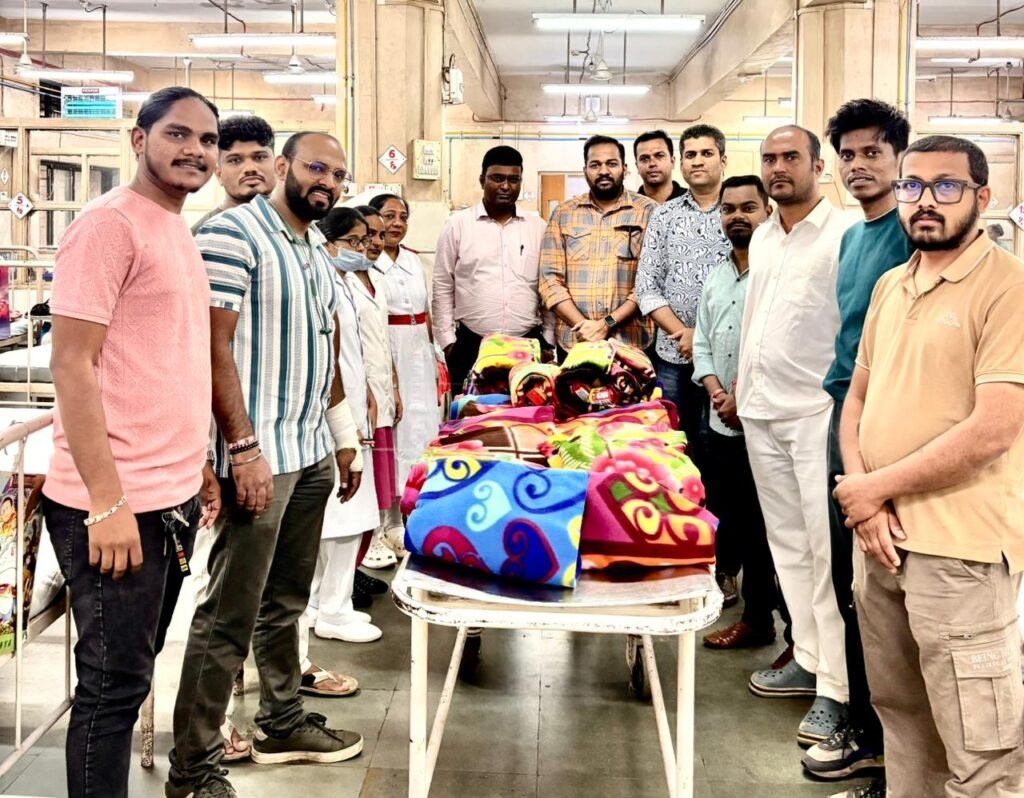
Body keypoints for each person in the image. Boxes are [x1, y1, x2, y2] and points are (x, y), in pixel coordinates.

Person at [167, 131, 364, 798]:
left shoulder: (313, 247)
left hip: (308, 451)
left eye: (337, 175)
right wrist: (240, 448)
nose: (327, 182)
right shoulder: (233, 235)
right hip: (259, 457)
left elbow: (323, 349)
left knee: (285, 602)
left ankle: (282, 722)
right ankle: (193, 769)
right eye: (316, 168)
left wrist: (343, 436)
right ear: (283, 167)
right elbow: (210, 347)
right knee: (228, 615)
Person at [43, 86, 221, 798]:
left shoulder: (173, 226)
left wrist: (197, 462)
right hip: (117, 504)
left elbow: (166, 360)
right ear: (139, 139)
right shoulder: (108, 226)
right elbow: (72, 365)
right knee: (111, 691)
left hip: (167, 495)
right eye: (178, 134)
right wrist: (106, 502)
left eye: (206, 140)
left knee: (133, 675)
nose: (195, 151)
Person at [836, 135, 1024, 798]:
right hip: (882, 544)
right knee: (904, 718)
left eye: (946, 187)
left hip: (959, 550)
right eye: (912, 186)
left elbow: (993, 430)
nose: (924, 202)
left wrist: (871, 491)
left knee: (980, 749)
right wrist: (866, 501)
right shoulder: (892, 284)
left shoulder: (1008, 287)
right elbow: (856, 399)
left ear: (982, 196)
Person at [802, 99, 913, 793]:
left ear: (900, 158)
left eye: (873, 152)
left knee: (890, 588)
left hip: (892, 430)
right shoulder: (853, 238)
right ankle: (870, 735)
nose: (858, 165)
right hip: (845, 417)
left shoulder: (911, 234)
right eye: (848, 154)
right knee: (857, 591)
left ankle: (894, 751)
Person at [738, 125, 856, 747]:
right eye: (769, 158)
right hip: (761, 411)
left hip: (815, 413)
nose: (778, 168)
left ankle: (838, 688)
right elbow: (757, 319)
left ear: (819, 166)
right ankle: (807, 657)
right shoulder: (763, 235)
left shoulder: (844, 235)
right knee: (788, 546)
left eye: (791, 157)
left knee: (825, 554)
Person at [634, 124, 734, 600]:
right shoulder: (665, 216)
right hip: (674, 358)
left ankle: (724, 561)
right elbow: (647, 286)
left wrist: (707, 340)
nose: (697, 161)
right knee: (676, 453)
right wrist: (684, 334)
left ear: (723, 160)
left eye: (706, 153)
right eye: (689, 153)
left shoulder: (741, 209)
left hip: (729, 363)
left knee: (723, 461)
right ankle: (677, 552)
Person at [694, 175, 781, 651]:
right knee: (737, 521)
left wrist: (742, 401)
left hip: (765, 424)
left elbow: (778, 347)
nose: (737, 217)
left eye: (749, 208)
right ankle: (756, 616)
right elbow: (702, 344)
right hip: (721, 421)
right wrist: (715, 392)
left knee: (769, 529)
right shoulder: (717, 275)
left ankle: (765, 620)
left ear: (767, 211)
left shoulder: (777, 273)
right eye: (728, 210)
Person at [302, 207, 384, 645]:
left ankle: (322, 602)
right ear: (328, 242)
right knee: (345, 514)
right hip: (336, 417)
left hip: (351, 406)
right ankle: (333, 608)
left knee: (344, 515)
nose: (362, 248)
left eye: (364, 240)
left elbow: (353, 351)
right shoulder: (323, 282)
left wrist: (366, 390)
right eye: (353, 241)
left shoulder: (346, 282)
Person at [432, 145, 552, 392]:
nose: (505, 186)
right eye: (497, 178)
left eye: (513, 180)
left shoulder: (538, 227)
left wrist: (548, 338)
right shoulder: (458, 226)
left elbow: (549, 283)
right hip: (471, 345)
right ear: (482, 180)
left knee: (528, 411)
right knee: (471, 413)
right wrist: (447, 342)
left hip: (528, 342)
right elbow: (443, 284)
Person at [539, 134, 656, 361]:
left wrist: (606, 324)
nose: (603, 171)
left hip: (632, 344)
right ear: (585, 171)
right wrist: (585, 327)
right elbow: (549, 279)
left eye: (611, 163)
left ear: (624, 168)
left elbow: (650, 282)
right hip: (575, 342)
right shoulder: (563, 214)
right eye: (595, 165)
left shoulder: (649, 212)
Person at [369, 193, 440, 498]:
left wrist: (435, 356)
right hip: (390, 347)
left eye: (403, 217)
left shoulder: (412, 259)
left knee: (423, 417)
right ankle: (393, 500)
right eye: (389, 216)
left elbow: (426, 310)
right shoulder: (369, 261)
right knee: (398, 420)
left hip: (419, 347)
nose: (397, 223)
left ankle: (422, 488)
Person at [353, 204, 402, 570]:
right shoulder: (343, 283)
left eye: (379, 235)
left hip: (382, 387)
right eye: (367, 236)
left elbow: (384, 339)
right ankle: (363, 544)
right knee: (362, 469)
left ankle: (375, 535)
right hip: (360, 391)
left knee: (381, 468)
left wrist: (395, 386)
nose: (374, 242)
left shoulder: (376, 280)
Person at [190, 114, 276, 234]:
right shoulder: (202, 234)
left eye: (259, 157)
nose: (250, 168)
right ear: (219, 174)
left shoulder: (298, 222)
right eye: (235, 160)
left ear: (278, 166)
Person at [634, 129, 686, 203]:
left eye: (659, 156)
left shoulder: (693, 202)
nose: (652, 163)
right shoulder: (629, 206)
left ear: (672, 161)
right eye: (644, 158)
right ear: (637, 166)